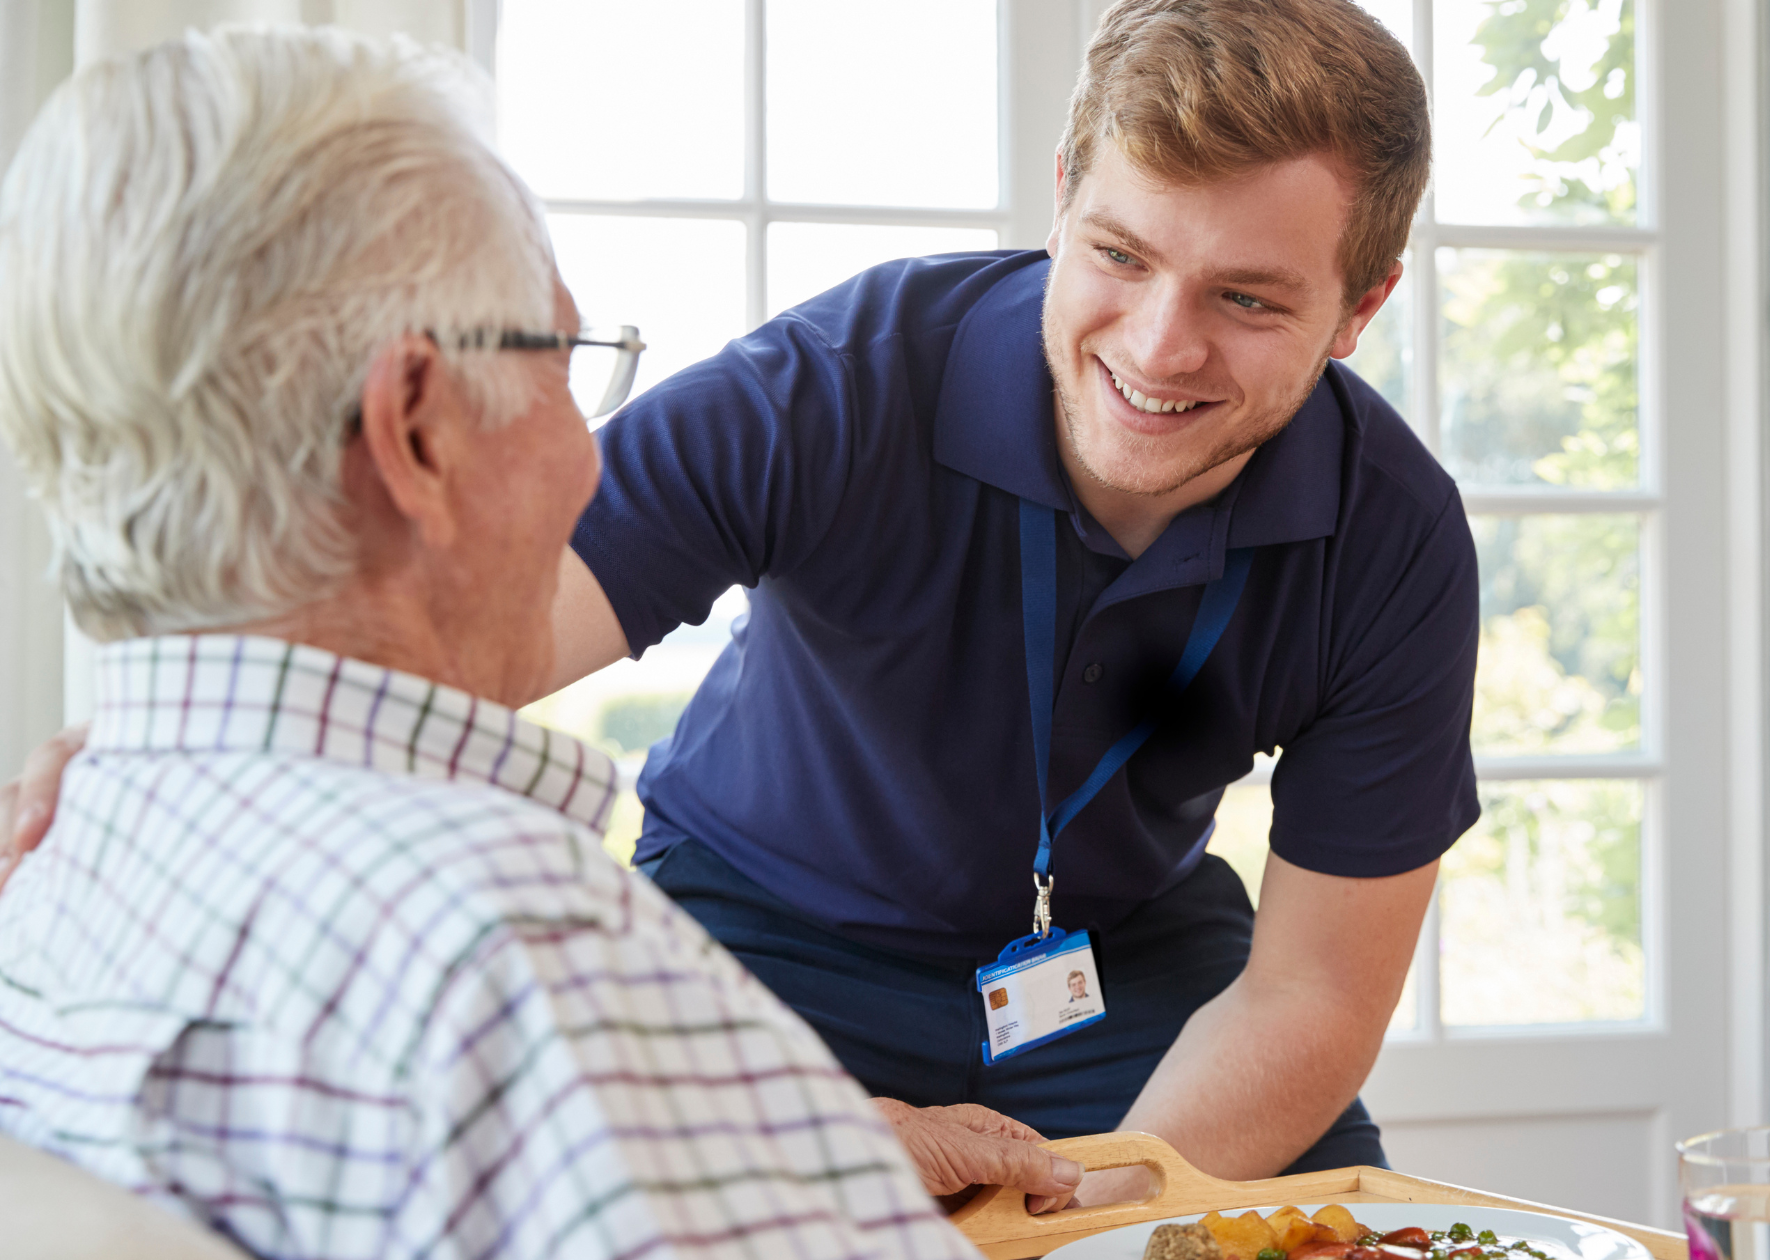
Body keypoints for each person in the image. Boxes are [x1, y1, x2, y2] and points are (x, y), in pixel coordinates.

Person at [6, 0, 1478, 1194]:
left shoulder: (1397, 534)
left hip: (1118, 962)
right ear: (1063, 200)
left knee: (1306, 1229)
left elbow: (1308, 999)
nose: (1158, 347)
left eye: (1248, 298)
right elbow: (447, 628)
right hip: (766, 931)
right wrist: (165, 753)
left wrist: (1102, 1216)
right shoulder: (833, 388)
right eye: (1118, 254)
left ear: (1359, 308)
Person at [0, 27, 1076, 1257]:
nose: (587, 458)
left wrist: (760, 1147)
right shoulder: (515, 951)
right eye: (561, 365)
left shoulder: (51, 870)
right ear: (414, 427)